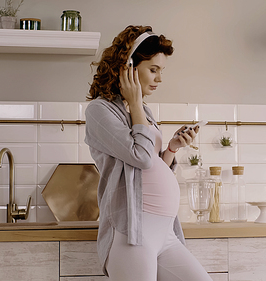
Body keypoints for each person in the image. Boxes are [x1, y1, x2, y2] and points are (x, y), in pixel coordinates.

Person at [84, 25, 212, 281]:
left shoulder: (142, 111)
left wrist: (172, 148)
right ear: (128, 67)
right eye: (153, 70)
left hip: (164, 234)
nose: (159, 79)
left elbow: (149, 162)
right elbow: (140, 156)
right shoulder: (100, 111)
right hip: (133, 234)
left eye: (161, 71)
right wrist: (134, 103)